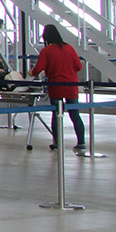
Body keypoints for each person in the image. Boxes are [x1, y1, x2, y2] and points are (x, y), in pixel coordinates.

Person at [31, 24, 85, 152]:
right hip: (72, 86)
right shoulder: (70, 48)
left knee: (56, 114)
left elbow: (38, 69)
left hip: (56, 86)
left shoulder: (47, 51)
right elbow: (79, 66)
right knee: (75, 115)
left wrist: (31, 73)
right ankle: (81, 142)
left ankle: (57, 142)